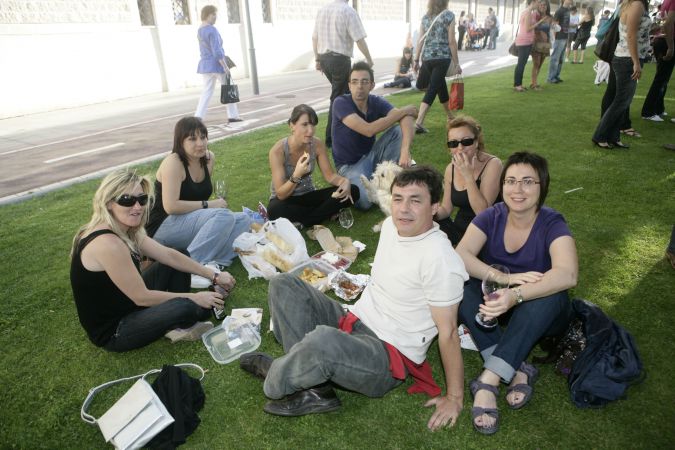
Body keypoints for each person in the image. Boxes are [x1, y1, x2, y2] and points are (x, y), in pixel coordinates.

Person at [239, 166, 468, 430]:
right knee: (283, 284)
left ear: (435, 207)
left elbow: (449, 332)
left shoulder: (440, 259)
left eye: (415, 201)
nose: (403, 209)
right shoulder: (393, 226)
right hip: (355, 320)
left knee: (322, 341)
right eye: (398, 198)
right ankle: (313, 387)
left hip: (385, 354)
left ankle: (279, 374)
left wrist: (454, 397)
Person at [456, 152, 578, 435]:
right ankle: (517, 366)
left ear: (542, 186)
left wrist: (517, 294)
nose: (517, 190)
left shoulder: (552, 222)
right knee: (460, 286)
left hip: (542, 314)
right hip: (499, 304)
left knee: (551, 292)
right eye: (510, 181)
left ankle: (489, 379)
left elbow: (568, 274)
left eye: (527, 182)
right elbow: (460, 255)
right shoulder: (492, 215)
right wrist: (503, 279)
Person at [70, 169, 236, 351]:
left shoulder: (125, 229)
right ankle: (179, 320)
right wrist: (195, 297)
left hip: (128, 303)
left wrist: (214, 276)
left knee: (178, 253)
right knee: (192, 307)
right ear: (109, 203)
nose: (137, 207)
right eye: (127, 200)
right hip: (115, 329)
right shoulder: (108, 243)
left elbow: (168, 255)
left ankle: (177, 323)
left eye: (142, 199)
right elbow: (141, 297)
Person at [146, 117, 251, 282]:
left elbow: (197, 197)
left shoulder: (209, 159)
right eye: (192, 139)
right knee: (223, 216)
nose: (200, 143)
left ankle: (215, 261)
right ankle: (192, 266)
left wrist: (210, 208)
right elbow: (170, 206)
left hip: (187, 222)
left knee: (244, 219)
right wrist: (209, 205)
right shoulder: (173, 163)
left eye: (203, 137)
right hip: (162, 227)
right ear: (180, 142)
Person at [331, 61, 417, 210]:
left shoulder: (375, 101)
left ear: (372, 85)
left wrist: (405, 151)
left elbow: (408, 117)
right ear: (349, 85)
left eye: (364, 82)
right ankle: (388, 183)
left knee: (398, 130)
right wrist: (403, 111)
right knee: (364, 203)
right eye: (355, 82)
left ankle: (388, 179)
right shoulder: (340, 103)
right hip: (349, 166)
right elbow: (368, 130)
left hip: (372, 155)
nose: (359, 86)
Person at [267, 104, 359, 227]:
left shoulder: (317, 144)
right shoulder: (278, 151)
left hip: (308, 196)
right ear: (292, 126)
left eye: (313, 125)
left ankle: (303, 222)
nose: (310, 130)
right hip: (285, 200)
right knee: (275, 211)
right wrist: (297, 174)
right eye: (305, 124)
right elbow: (281, 194)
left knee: (353, 190)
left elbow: (330, 176)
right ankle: (324, 213)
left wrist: (344, 181)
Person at [312, 0, 373, 148]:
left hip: (325, 59)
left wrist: (318, 59)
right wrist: (369, 59)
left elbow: (314, 38)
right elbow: (359, 39)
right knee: (338, 99)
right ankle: (331, 139)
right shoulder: (348, 11)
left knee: (346, 96)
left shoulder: (323, 10)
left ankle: (354, 130)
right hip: (339, 60)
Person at [592, 0, 651, 149]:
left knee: (622, 101)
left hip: (625, 57)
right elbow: (630, 36)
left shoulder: (629, 4)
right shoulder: (636, 5)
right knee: (621, 101)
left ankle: (613, 137)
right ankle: (600, 135)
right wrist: (636, 62)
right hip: (627, 59)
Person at [436, 116, 502, 246]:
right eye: (453, 143)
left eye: (466, 142)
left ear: (476, 142)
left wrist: (468, 176)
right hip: (460, 229)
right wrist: (426, 212)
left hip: (487, 232)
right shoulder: (451, 169)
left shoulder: (493, 164)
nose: (460, 148)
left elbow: (482, 213)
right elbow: (446, 209)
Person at [413, 0, 462, 133]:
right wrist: (457, 63)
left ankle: (450, 116)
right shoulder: (449, 16)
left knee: (440, 87)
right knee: (433, 89)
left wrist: (416, 60)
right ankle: (418, 123)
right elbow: (452, 41)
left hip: (427, 58)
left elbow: (420, 40)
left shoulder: (425, 18)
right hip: (442, 58)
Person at [195, 5, 242, 122]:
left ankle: (198, 117)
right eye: (213, 15)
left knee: (206, 91)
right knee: (228, 88)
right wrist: (225, 66)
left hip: (205, 65)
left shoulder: (200, 30)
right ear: (207, 15)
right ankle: (233, 115)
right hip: (217, 64)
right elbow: (217, 50)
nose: (215, 17)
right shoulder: (212, 30)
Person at [641, 0, 674, 121]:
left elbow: (665, 21)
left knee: (662, 79)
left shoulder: (667, 1)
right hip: (667, 41)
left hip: (663, 41)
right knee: (661, 79)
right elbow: (668, 23)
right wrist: (671, 47)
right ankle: (648, 111)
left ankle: (658, 108)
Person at [514, 0, 545, 92]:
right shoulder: (527, 12)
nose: (539, 4)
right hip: (524, 41)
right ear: (533, 2)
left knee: (522, 64)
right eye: (538, 2)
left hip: (526, 41)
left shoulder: (529, 12)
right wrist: (539, 23)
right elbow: (528, 28)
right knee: (521, 64)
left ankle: (518, 84)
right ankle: (517, 85)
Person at [547, 0, 572, 84]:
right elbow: (554, 24)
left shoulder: (568, 10)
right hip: (559, 38)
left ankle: (556, 76)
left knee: (561, 59)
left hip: (565, 37)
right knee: (555, 59)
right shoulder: (559, 11)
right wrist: (553, 38)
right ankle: (551, 78)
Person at [530, 0, 553, 90]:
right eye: (541, 4)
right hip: (536, 41)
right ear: (538, 5)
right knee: (536, 63)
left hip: (546, 42)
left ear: (547, 7)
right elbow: (532, 27)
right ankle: (534, 84)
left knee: (540, 64)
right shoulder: (535, 15)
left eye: (545, 5)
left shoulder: (550, 17)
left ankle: (534, 82)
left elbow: (551, 31)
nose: (543, 6)